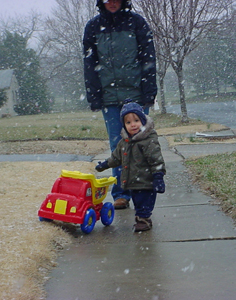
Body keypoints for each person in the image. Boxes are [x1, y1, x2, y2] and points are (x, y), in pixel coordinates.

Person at [83, 0, 157, 210]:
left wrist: (149, 92)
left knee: (141, 146)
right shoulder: (93, 27)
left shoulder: (137, 23)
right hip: (109, 98)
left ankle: (142, 190)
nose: (112, 3)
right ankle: (121, 193)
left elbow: (148, 58)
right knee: (119, 147)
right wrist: (94, 95)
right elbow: (89, 64)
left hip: (136, 96)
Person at [95, 101, 165, 232]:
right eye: (128, 122)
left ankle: (144, 220)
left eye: (136, 120)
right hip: (133, 181)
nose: (133, 125)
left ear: (143, 121)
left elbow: (156, 160)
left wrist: (158, 177)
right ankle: (141, 218)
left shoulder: (148, 140)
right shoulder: (124, 142)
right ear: (124, 125)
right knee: (137, 202)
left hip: (146, 181)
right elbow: (116, 158)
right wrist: (104, 164)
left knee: (144, 203)